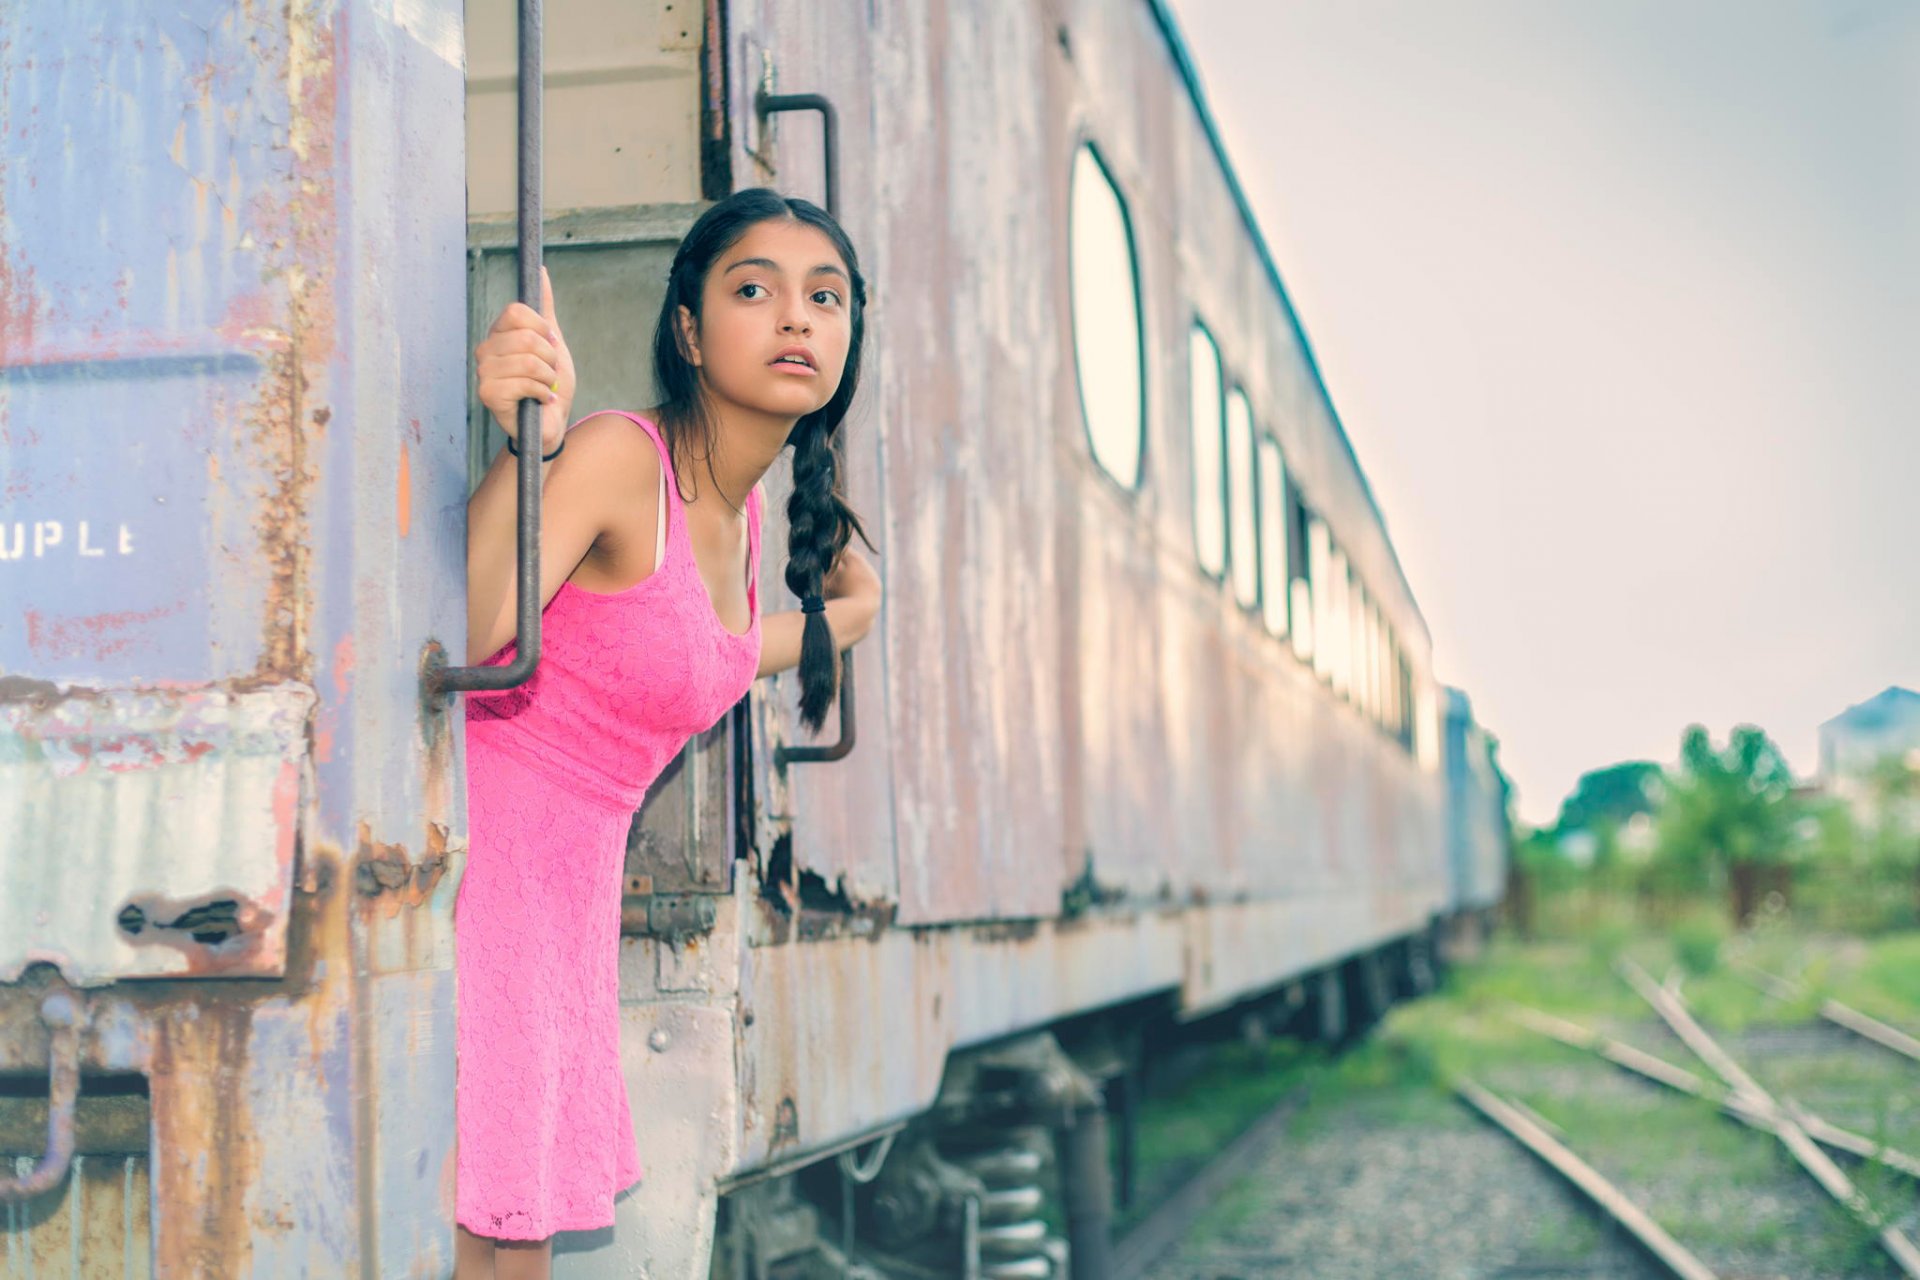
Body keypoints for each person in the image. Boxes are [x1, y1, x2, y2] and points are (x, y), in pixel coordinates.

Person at [453, 188, 883, 1279]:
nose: (796, 317)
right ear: (688, 330)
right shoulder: (619, 458)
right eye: (755, 289)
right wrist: (527, 438)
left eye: (823, 298)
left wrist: (852, 616)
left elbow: (710, 657)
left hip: (561, 903)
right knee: (484, 1245)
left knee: (516, 1250)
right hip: (490, 872)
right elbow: (468, 629)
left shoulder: (733, 532)